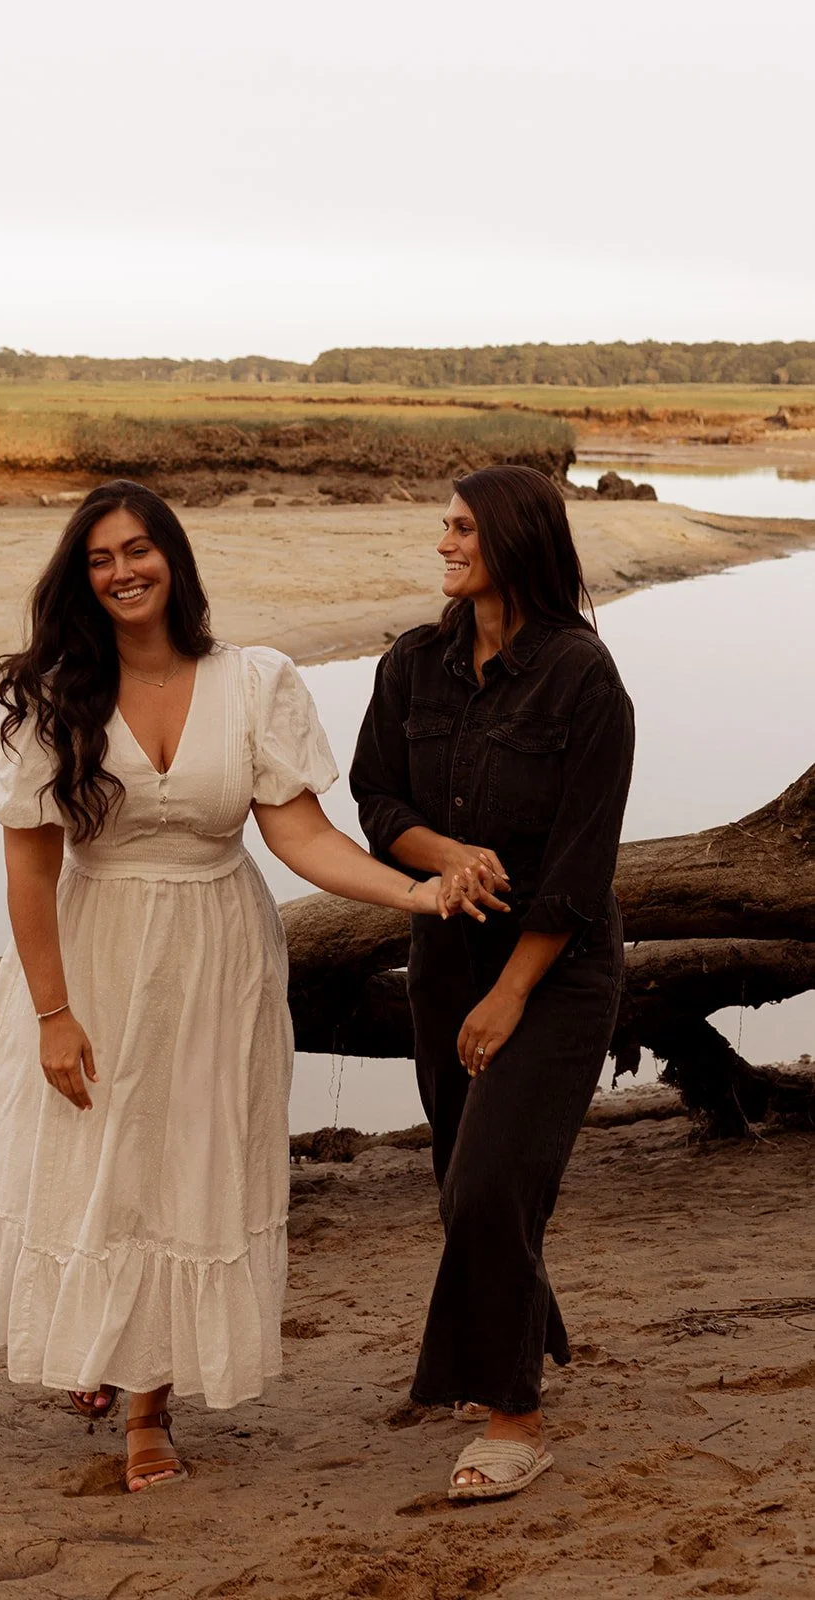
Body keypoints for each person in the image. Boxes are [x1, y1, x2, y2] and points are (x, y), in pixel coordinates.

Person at [0, 480, 458, 1494]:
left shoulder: (254, 681)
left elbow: (300, 834)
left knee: (187, 1166)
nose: (122, 570)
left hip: (215, 955)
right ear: (81, 576)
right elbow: (29, 871)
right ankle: (99, 1347)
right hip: (91, 954)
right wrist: (53, 1015)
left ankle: (149, 1410)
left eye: (139, 550)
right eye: (100, 557)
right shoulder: (52, 697)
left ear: (174, 560)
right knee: (93, 1162)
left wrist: (413, 893)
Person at [350, 464, 634, 1502]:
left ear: (511, 540)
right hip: (446, 957)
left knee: (490, 1183)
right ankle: (515, 1335)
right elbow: (373, 791)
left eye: (461, 528)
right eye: (443, 526)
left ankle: (513, 1416)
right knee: (462, 1175)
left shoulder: (581, 679)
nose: (442, 543)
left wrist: (510, 991)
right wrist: (446, 851)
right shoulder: (412, 662)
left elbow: (577, 865)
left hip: (554, 970)